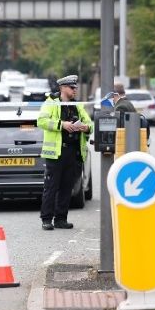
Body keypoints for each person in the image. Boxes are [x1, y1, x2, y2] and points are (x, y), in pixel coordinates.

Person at [37, 75, 93, 230]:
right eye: (72, 87)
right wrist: (62, 125)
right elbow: (41, 121)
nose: (75, 90)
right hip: (56, 153)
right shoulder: (51, 103)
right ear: (63, 88)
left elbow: (89, 123)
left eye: (75, 87)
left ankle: (61, 218)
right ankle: (46, 219)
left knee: (67, 187)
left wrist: (86, 127)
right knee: (51, 187)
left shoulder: (78, 105)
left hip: (73, 152)